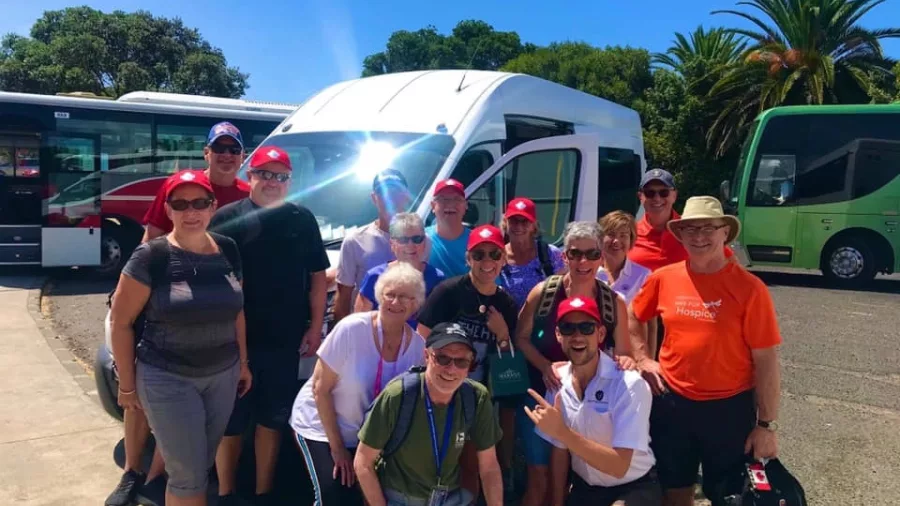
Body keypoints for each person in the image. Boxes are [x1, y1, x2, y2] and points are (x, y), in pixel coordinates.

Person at [105, 122, 252, 506]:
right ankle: (134, 470)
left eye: (200, 204)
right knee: (188, 477)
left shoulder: (228, 249)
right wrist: (127, 383)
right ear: (167, 207)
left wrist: (243, 362)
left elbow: (237, 309)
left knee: (196, 467)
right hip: (168, 374)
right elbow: (121, 321)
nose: (192, 211)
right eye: (182, 204)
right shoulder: (151, 255)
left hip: (221, 375)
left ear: (213, 208)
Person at [628, 196, 782, 506]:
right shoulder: (664, 278)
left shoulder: (751, 289)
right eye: (691, 229)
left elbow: (766, 361)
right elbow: (633, 314)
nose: (699, 237)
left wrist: (765, 425)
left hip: (728, 409)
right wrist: (643, 358)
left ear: (725, 231)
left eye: (708, 228)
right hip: (673, 404)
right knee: (674, 490)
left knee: (728, 496)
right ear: (681, 235)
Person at [210, 146, 330, 505]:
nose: (272, 182)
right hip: (233, 340)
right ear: (250, 177)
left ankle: (263, 492)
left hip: (284, 339)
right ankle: (226, 491)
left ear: (289, 182)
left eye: (280, 176)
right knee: (231, 420)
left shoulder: (302, 219)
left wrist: (313, 328)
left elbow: (318, 277)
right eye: (265, 174)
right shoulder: (226, 218)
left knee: (272, 419)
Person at [513, 221, 634, 506]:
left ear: (601, 257)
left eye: (592, 254)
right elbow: (522, 338)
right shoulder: (543, 294)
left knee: (575, 478)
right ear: (564, 256)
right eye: (575, 254)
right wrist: (545, 365)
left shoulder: (612, 303)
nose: (583, 262)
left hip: (589, 399)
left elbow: (625, 351)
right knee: (539, 477)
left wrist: (627, 364)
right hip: (542, 390)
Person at [291, 262, 428, 506]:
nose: (396, 302)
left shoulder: (417, 348)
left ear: (415, 304)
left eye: (405, 297)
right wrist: (338, 449)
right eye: (390, 294)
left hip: (370, 438)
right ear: (379, 296)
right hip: (323, 427)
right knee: (333, 493)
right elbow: (320, 389)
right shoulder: (351, 329)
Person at [527, 295, 660, 506]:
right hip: (585, 489)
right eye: (568, 328)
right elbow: (560, 451)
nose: (577, 336)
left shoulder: (629, 384)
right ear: (558, 335)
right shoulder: (558, 380)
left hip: (632, 487)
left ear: (600, 334)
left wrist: (562, 431)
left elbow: (619, 467)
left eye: (587, 328)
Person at [353, 322, 504, 506]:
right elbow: (363, 462)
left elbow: (489, 467)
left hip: (451, 499)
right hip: (400, 500)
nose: (451, 369)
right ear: (426, 356)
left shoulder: (476, 397)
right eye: (442, 359)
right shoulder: (399, 395)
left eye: (461, 361)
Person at [142, 121, 251, 242]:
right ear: (206, 153)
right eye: (219, 148)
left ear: (243, 156)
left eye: (234, 150)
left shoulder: (248, 195)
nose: (226, 154)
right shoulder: (179, 185)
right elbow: (151, 238)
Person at [333, 169, 412, 323]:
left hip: (408, 332)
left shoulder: (421, 241)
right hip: (368, 332)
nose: (390, 197)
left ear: (406, 196)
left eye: (396, 191)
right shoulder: (354, 241)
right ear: (374, 198)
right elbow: (343, 300)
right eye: (383, 192)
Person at [354, 212, 446, 328]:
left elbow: (442, 325)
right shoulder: (374, 277)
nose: (410, 245)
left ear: (424, 242)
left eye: (417, 239)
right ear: (392, 244)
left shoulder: (437, 278)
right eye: (403, 239)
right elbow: (359, 324)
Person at [497, 197, 566, 308]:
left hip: (542, 323)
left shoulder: (550, 254)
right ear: (505, 223)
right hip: (505, 323)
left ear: (534, 225)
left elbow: (564, 292)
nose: (519, 226)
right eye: (514, 220)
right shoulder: (497, 256)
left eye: (525, 221)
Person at [595, 211, 651, 305]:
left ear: (631, 240)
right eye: (611, 234)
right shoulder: (589, 271)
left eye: (623, 235)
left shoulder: (644, 276)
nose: (616, 241)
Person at [425, 179, 471, 277]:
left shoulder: (477, 241)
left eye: (457, 199)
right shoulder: (420, 239)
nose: (450, 204)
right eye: (443, 199)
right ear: (433, 206)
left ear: (465, 205)